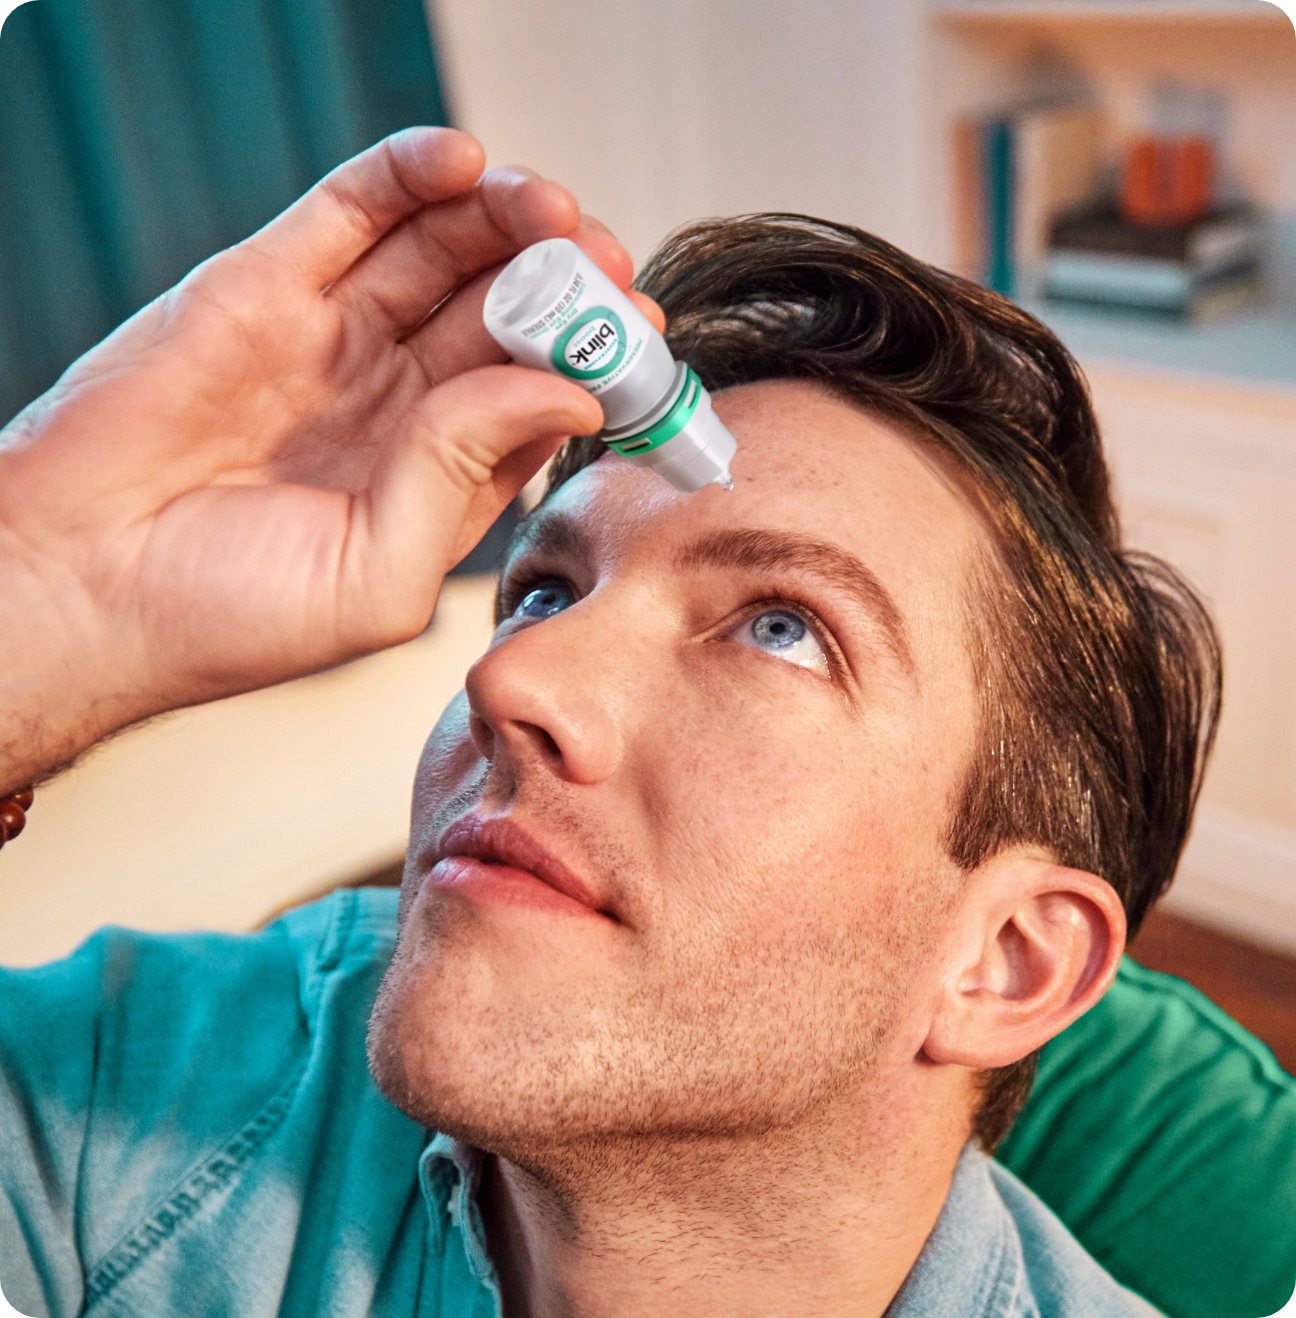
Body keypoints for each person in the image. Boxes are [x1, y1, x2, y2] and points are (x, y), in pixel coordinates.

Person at [0, 128, 1221, 1317]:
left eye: (783, 626)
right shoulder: (156, 1089)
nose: (516, 682)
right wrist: (43, 605)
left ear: (1006, 961)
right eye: (543, 590)